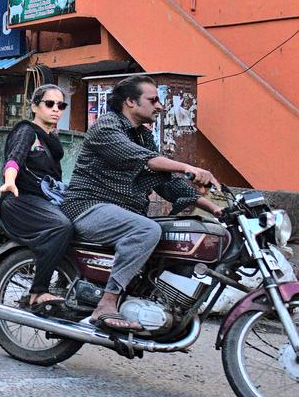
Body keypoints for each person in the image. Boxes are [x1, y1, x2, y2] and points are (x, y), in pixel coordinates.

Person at [61, 75, 224, 332]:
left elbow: (165, 182)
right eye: (153, 100)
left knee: (174, 231)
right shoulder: (106, 127)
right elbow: (144, 160)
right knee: (147, 229)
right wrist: (189, 168)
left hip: (123, 212)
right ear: (130, 102)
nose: (160, 106)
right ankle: (107, 301)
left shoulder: (144, 136)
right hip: (87, 207)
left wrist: (215, 208)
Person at [0, 85, 73, 308]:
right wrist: (10, 180)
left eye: (61, 105)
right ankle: (39, 290)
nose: (56, 109)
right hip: (20, 201)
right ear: (34, 106)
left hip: (42, 200)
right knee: (61, 226)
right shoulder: (27, 131)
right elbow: (15, 157)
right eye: (49, 104)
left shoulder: (51, 138)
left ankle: (66, 283)